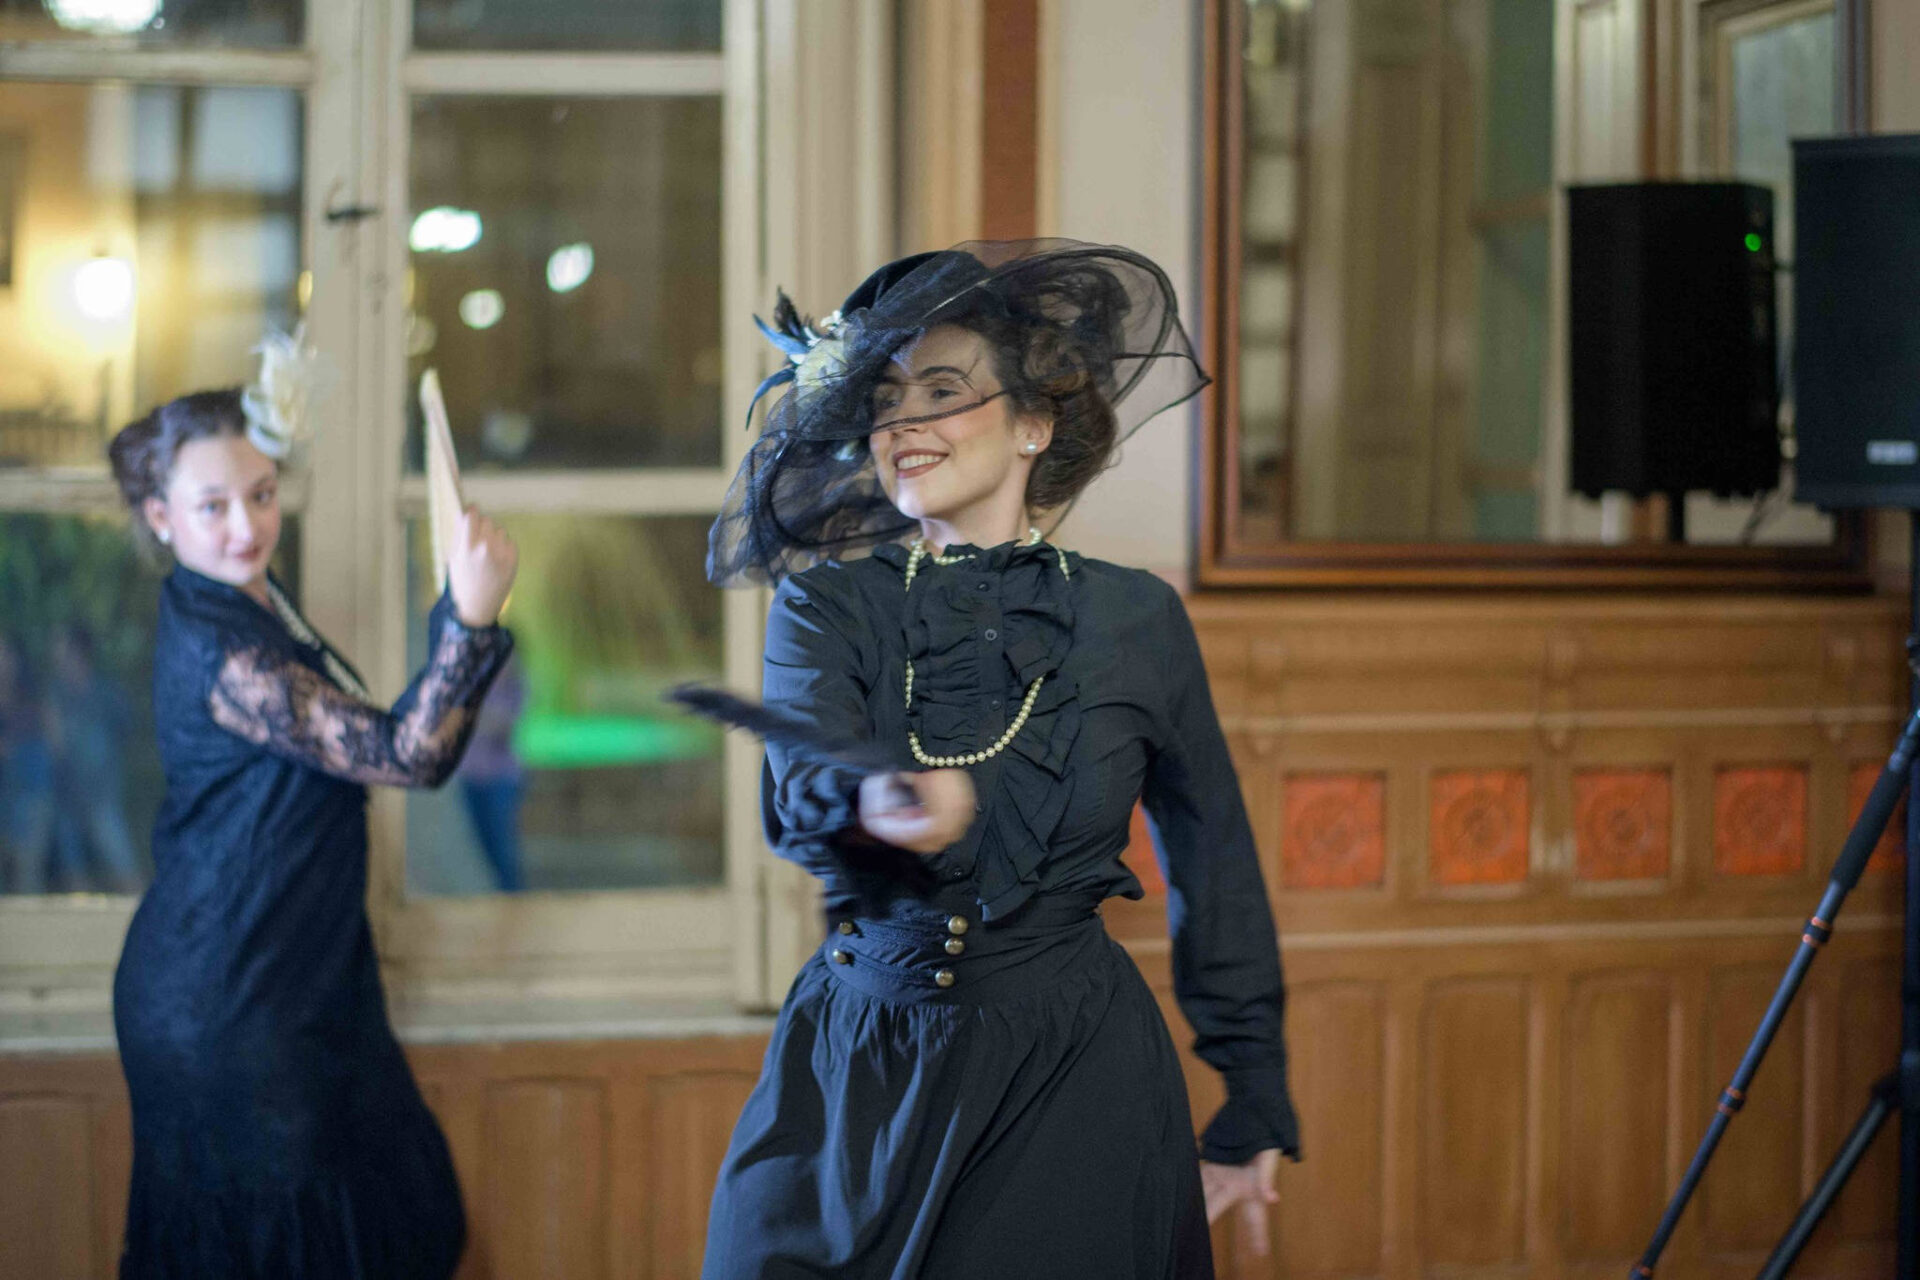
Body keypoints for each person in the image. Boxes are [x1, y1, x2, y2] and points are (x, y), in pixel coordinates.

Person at [701, 240, 1300, 1279]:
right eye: (886, 401)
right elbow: (805, 780)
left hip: (1075, 1077)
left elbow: (1216, 860)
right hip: (861, 1079)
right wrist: (880, 804)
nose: (904, 423)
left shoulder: (1137, 618)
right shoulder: (825, 607)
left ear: (1034, 423)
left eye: (943, 390)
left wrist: (1251, 1093)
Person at [106, 352, 519, 1279]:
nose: (245, 526)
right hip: (230, 999)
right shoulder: (222, 650)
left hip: (292, 975)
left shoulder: (245, 594)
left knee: (396, 1217)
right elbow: (408, 754)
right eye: (212, 506)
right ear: (161, 516)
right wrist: (470, 618)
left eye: (260, 495)